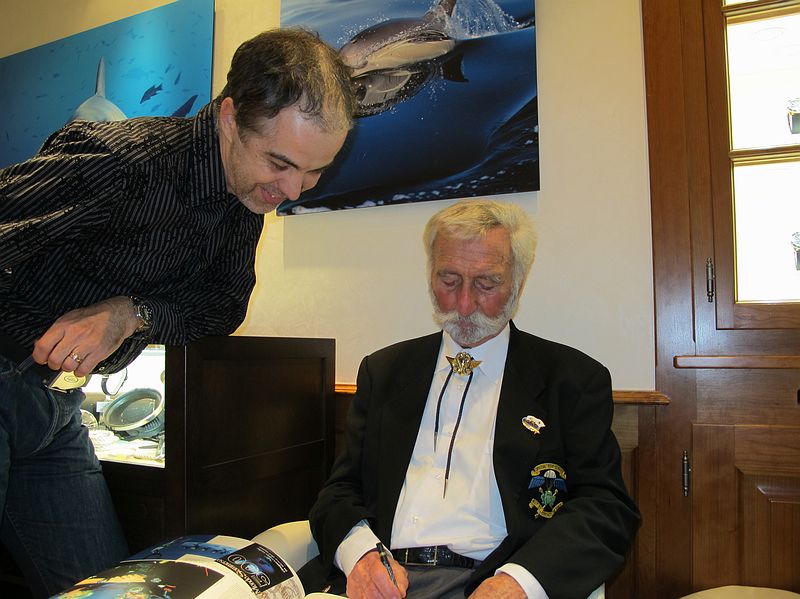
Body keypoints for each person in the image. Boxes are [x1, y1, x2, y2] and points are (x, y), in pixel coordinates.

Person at [0, 27, 355, 597]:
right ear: (229, 118)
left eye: (315, 172)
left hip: (54, 402)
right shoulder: (120, 161)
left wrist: (129, 312)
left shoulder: (245, 198)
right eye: (280, 163)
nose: (293, 190)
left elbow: (223, 305)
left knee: (105, 588)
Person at [303, 200, 640, 599]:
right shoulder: (385, 371)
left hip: (489, 580)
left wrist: (520, 582)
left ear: (517, 280)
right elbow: (340, 490)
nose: (463, 305)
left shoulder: (572, 380)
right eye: (449, 280)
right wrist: (359, 555)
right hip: (385, 579)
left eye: (486, 284)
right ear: (430, 273)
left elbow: (606, 508)